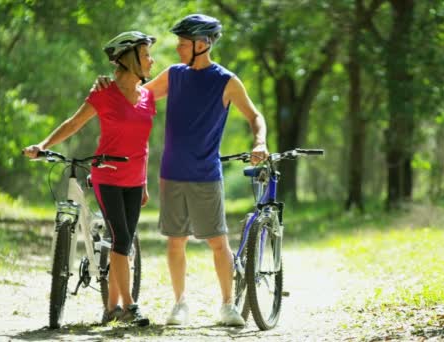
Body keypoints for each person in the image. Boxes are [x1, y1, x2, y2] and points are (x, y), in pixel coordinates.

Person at [94, 14, 269, 327]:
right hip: (171, 173)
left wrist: (260, 143)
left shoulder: (226, 81)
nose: (178, 48)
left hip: (206, 175)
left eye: (183, 43)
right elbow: (136, 91)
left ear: (202, 45)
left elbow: (256, 117)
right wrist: (108, 83)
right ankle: (179, 304)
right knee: (176, 241)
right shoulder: (174, 75)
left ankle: (228, 305)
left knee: (218, 241)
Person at [23, 31, 157, 326]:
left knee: (122, 242)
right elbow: (73, 123)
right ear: (128, 58)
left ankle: (111, 309)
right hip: (107, 176)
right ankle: (130, 306)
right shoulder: (103, 94)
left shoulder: (148, 97)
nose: (151, 60)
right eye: (146, 55)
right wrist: (43, 146)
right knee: (121, 238)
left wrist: (145, 182)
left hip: (134, 181)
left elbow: (143, 146)